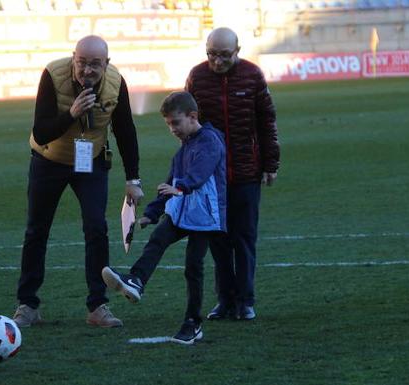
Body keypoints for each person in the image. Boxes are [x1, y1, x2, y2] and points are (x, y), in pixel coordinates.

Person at [13, 35, 144, 329]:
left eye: (95, 64)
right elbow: (42, 130)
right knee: (37, 230)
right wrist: (71, 114)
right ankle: (28, 305)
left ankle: (98, 306)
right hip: (49, 159)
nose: (87, 70)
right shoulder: (52, 75)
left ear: (106, 64)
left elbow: (125, 130)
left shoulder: (115, 81)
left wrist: (133, 178)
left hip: (91, 161)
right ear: (73, 58)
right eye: (82, 62)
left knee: (96, 228)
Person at [102, 91, 226, 344]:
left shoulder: (210, 141)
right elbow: (169, 183)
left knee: (194, 267)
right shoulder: (183, 149)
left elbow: (200, 173)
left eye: (176, 123)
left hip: (205, 215)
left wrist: (181, 188)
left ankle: (193, 323)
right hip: (182, 210)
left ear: (193, 117)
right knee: (158, 238)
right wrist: (152, 212)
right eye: (168, 124)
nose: (172, 129)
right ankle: (136, 280)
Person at [185, 27, 280, 321]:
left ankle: (246, 300)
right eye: (212, 54)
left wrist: (271, 164)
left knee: (244, 238)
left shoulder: (253, 76)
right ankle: (225, 300)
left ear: (237, 50)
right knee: (218, 240)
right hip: (212, 177)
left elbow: (267, 122)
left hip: (246, 171)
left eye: (224, 55)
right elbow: (188, 125)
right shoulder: (196, 77)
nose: (217, 61)